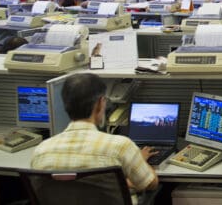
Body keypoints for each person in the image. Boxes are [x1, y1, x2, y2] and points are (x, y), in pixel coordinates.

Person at [30, 73, 158, 204]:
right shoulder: (121, 146)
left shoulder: (41, 151)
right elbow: (150, 184)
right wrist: (139, 160)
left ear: (65, 105)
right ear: (101, 104)